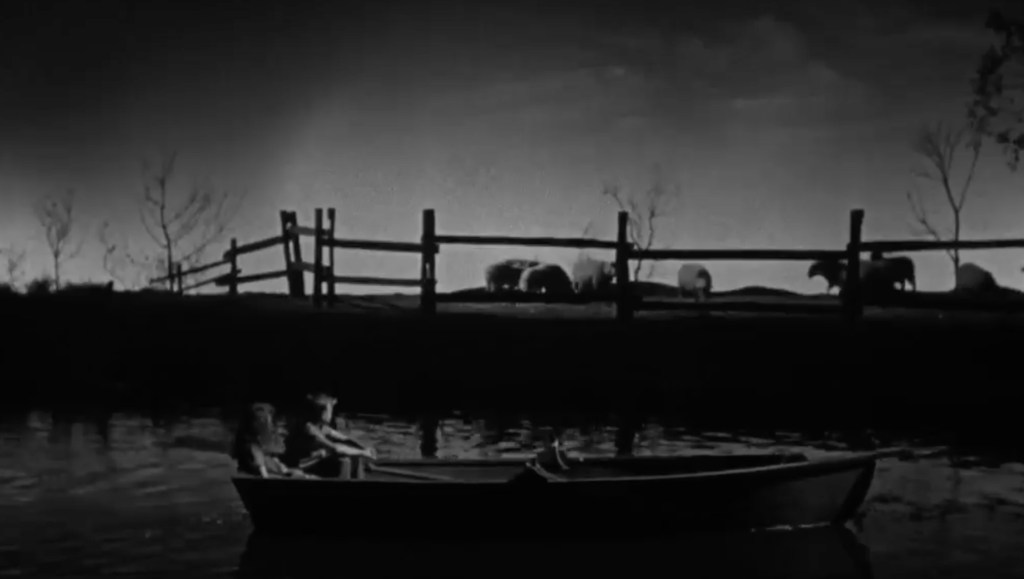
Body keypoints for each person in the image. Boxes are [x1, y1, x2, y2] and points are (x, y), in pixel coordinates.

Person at [282, 392, 377, 478]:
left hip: (313, 461)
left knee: (349, 453)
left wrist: (364, 448)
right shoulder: (310, 428)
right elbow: (336, 448)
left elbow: (343, 438)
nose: (329, 412)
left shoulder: (321, 426)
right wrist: (363, 452)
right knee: (341, 456)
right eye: (328, 408)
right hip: (300, 465)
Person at [231, 402, 311, 478]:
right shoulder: (254, 449)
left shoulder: (272, 459)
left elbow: (286, 472)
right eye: (260, 411)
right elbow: (265, 476)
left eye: (270, 412)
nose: (285, 434)